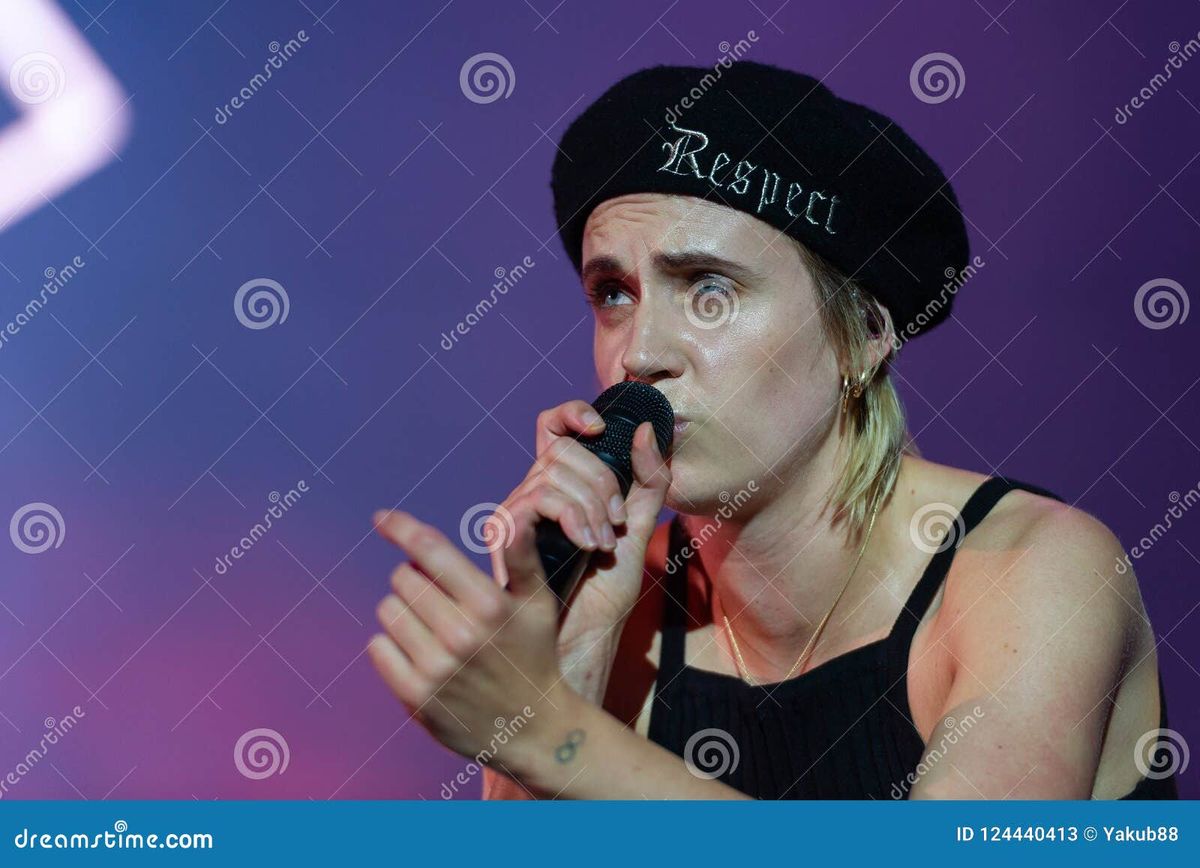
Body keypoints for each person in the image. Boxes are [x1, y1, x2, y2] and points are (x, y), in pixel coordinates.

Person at [367, 61, 1180, 799]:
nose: (639, 354)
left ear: (863, 335)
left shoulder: (1034, 571)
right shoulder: (626, 602)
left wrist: (554, 735)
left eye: (708, 290)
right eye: (613, 293)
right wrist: (573, 666)